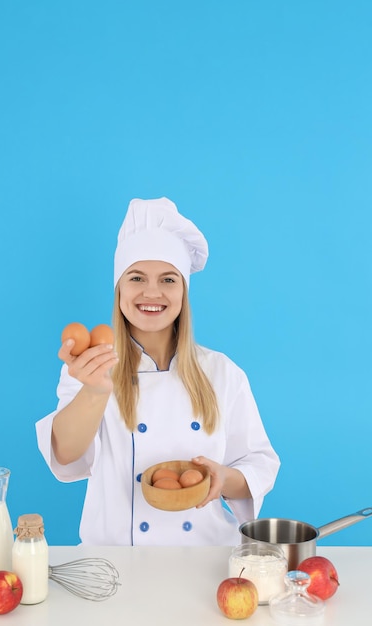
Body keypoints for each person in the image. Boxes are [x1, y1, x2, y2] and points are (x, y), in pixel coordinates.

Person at [36, 197, 280, 546]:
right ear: (119, 289)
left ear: (183, 291)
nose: (153, 292)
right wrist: (94, 391)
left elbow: (258, 463)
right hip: (115, 565)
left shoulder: (222, 372)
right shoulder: (91, 365)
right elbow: (65, 455)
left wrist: (223, 478)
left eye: (168, 279)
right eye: (137, 278)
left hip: (206, 560)